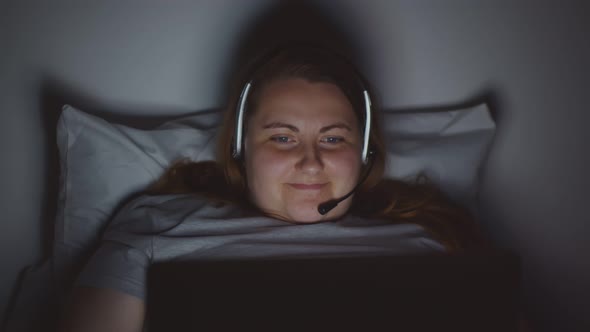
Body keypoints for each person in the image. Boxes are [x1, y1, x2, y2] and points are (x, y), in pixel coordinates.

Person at [59, 45, 486, 331]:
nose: (311, 161)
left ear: (364, 154)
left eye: (333, 138)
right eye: (283, 137)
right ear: (242, 149)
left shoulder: (433, 237)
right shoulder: (162, 227)